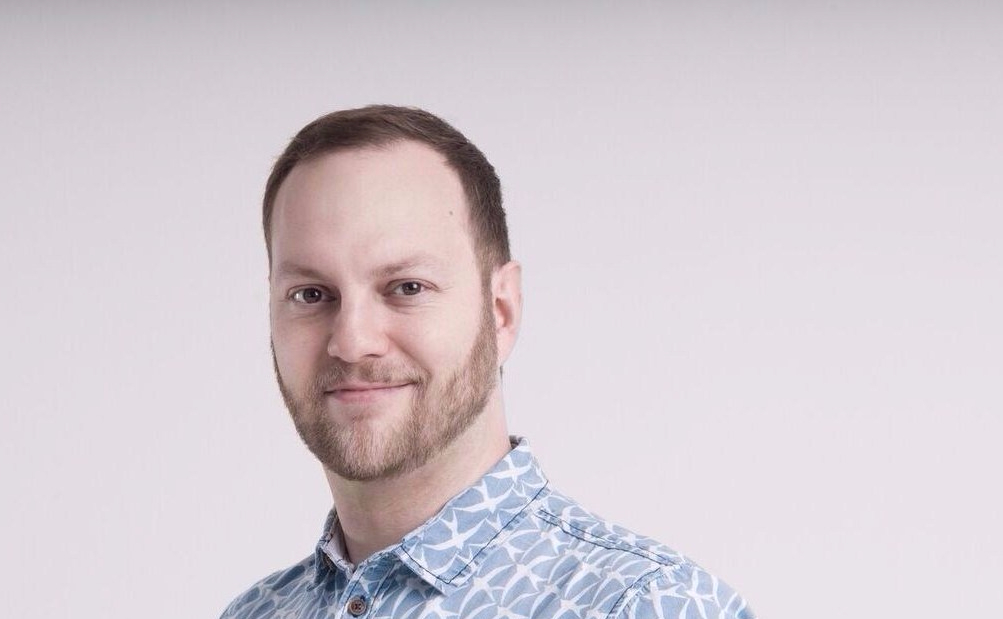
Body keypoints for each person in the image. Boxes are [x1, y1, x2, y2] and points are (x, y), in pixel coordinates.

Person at [221, 105, 755, 619]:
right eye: (311, 295)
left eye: (407, 287)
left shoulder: (650, 606)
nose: (352, 341)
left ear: (501, 310)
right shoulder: (255, 611)